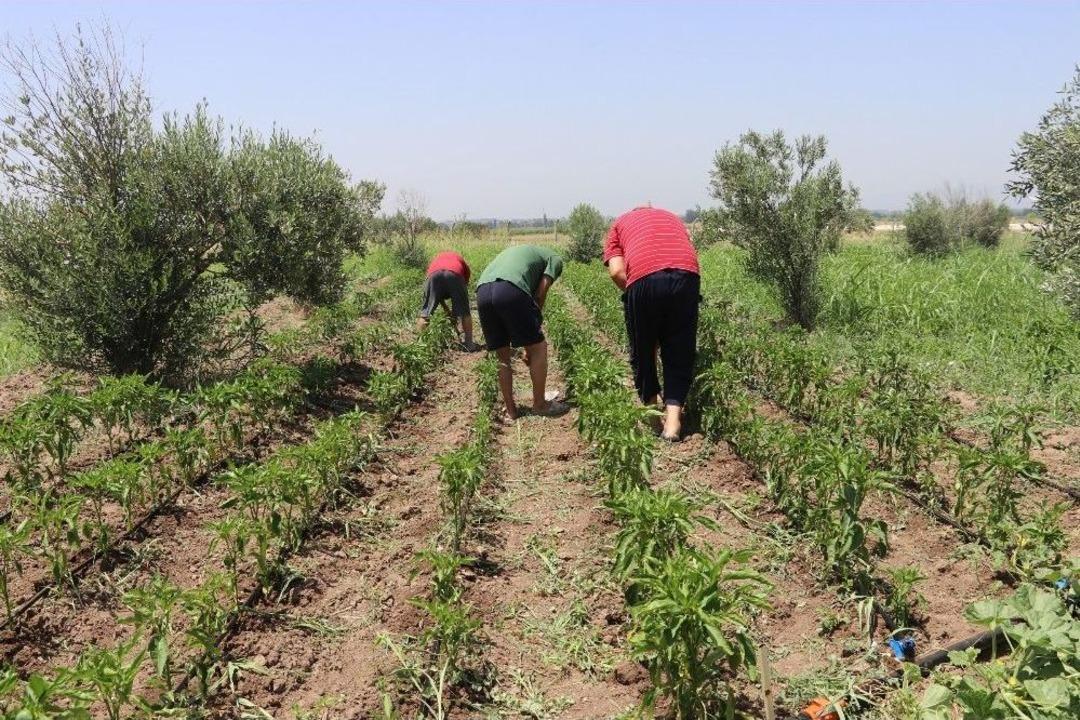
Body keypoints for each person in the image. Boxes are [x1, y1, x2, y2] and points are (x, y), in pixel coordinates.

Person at [603, 206, 700, 441]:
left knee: (643, 348)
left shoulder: (619, 224)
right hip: (686, 275)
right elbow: (686, 249)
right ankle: (674, 422)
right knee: (679, 348)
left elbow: (616, 272)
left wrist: (640, 298)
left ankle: (653, 416)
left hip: (645, 275)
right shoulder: (673, 218)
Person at [476, 244, 568, 420]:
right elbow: (540, 293)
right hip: (510, 289)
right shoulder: (555, 258)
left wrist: (527, 341)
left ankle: (511, 410)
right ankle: (540, 404)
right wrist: (534, 330)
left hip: (483, 292)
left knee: (502, 356)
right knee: (539, 347)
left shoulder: (519, 253)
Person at [419, 250, 478, 351]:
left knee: (425, 313)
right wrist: (455, 311)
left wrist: (452, 313)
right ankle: (469, 343)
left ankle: (421, 345)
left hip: (433, 276)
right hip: (455, 274)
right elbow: (464, 283)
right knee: (465, 313)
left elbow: (436, 293)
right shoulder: (459, 260)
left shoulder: (436, 259)